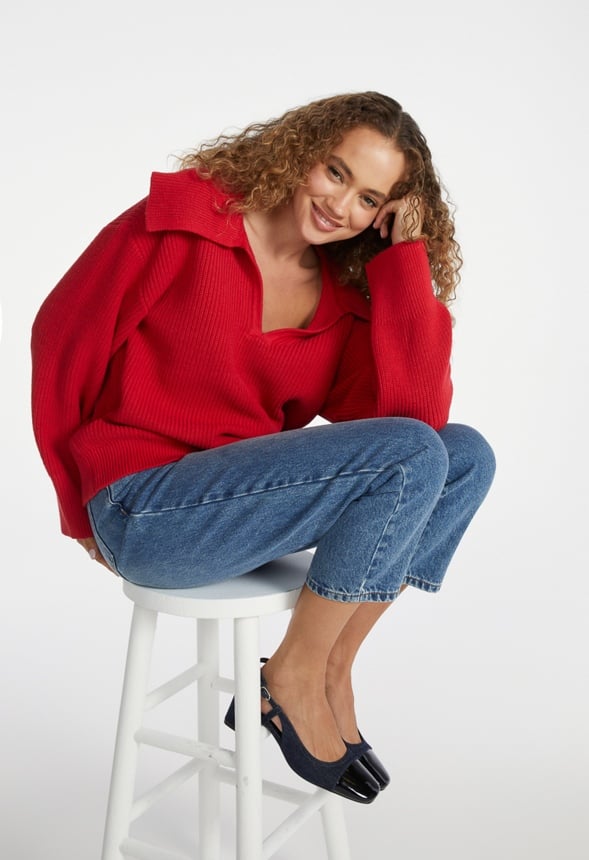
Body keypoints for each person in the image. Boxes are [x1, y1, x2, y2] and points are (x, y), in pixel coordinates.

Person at [31, 91, 495, 804]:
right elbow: (62, 346)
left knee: (463, 457)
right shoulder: (182, 226)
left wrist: (405, 264)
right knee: (413, 454)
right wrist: (76, 511)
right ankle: (291, 680)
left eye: (369, 199)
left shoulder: (340, 299)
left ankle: (326, 665)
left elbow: (418, 427)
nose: (341, 206)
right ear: (299, 152)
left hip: (236, 509)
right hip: (142, 506)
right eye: (336, 172)